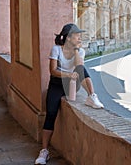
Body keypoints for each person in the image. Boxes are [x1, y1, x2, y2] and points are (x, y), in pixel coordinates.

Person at [35, 23, 104, 164]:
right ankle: (44, 151)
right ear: (68, 37)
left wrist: (76, 50)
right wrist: (68, 75)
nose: (80, 38)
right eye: (77, 35)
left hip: (73, 83)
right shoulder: (56, 49)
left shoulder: (80, 51)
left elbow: (79, 67)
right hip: (57, 84)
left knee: (82, 69)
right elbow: (52, 71)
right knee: (51, 114)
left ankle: (91, 96)